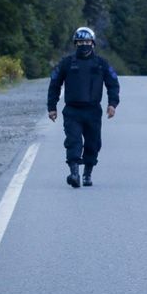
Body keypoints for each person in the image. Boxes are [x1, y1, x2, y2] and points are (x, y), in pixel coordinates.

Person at [47, 27, 120, 188]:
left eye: (87, 42)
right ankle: (74, 173)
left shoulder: (101, 64)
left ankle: (87, 173)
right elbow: (54, 84)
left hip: (93, 111)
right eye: (80, 42)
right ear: (76, 44)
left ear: (93, 43)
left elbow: (113, 84)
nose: (84, 45)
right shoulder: (66, 63)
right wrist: (52, 107)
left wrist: (112, 104)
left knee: (93, 144)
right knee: (73, 141)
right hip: (72, 111)